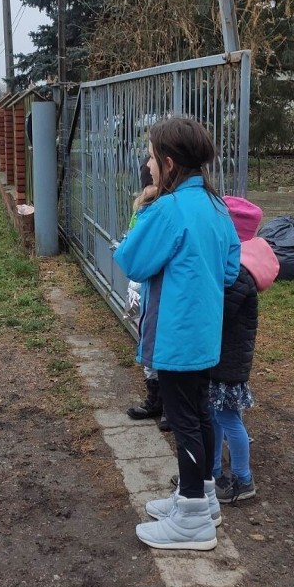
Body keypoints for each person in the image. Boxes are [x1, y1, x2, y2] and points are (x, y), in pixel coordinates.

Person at [114, 117, 240, 551]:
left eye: (150, 157)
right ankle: (202, 498)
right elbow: (228, 270)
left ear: (168, 164)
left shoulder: (168, 209)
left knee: (184, 420)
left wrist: (140, 213)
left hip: (175, 334)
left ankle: (190, 520)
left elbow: (132, 260)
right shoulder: (217, 205)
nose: (146, 165)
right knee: (200, 414)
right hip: (206, 333)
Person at [211, 198, 279, 503]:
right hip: (224, 358)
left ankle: (244, 478)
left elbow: (219, 313)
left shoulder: (238, 272)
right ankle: (210, 472)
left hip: (227, 361)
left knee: (228, 418)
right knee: (214, 415)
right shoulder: (238, 264)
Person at [124, 159, 170, 432]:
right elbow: (133, 240)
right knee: (148, 341)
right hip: (142, 286)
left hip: (161, 289)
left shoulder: (165, 209)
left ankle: (168, 405)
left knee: (162, 345)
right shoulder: (141, 209)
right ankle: (155, 399)